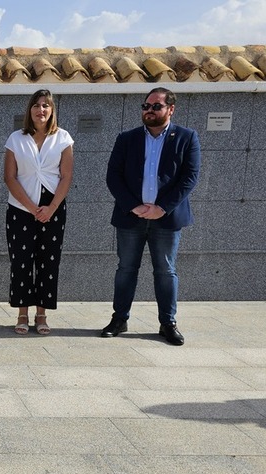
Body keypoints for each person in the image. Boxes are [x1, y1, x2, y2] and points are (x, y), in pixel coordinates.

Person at [100, 87, 201, 345]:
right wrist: (132, 205)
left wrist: (162, 207)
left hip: (166, 219)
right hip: (130, 217)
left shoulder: (187, 138)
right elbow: (113, 176)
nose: (149, 110)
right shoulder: (127, 138)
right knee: (125, 269)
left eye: (156, 106)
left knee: (166, 271)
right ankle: (119, 319)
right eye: (146, 106)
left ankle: (168, 323)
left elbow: (189, 178)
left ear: (171, 109)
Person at [3, 89, 74, 335]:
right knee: (21, 262)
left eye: (45, 105)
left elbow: (66, 177)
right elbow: (9, 177)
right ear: (29, 110)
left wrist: (50, 208)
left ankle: (41, 314)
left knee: (48, 262)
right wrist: (32, 208)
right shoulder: (15, 138)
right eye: (36, 105)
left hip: (52, 208)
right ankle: (22, 312)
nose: (40, 110)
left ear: (52, 110)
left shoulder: (63, 138)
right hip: (21, 208)